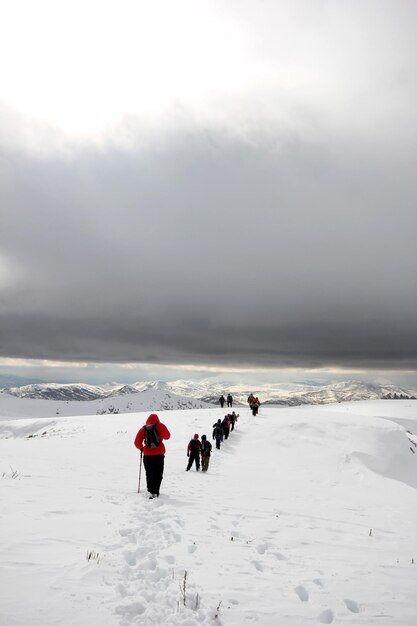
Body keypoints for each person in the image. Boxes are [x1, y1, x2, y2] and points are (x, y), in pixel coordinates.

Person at [134, 413, 171, 499]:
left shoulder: (144, 429)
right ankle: (155, 491)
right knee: (158, 474)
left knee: (149, 473)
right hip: (159, 455)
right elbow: (168, 436)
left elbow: (136, 443)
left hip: (147, 455)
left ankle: (150, 491)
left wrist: (142, 448)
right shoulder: (161, 426)